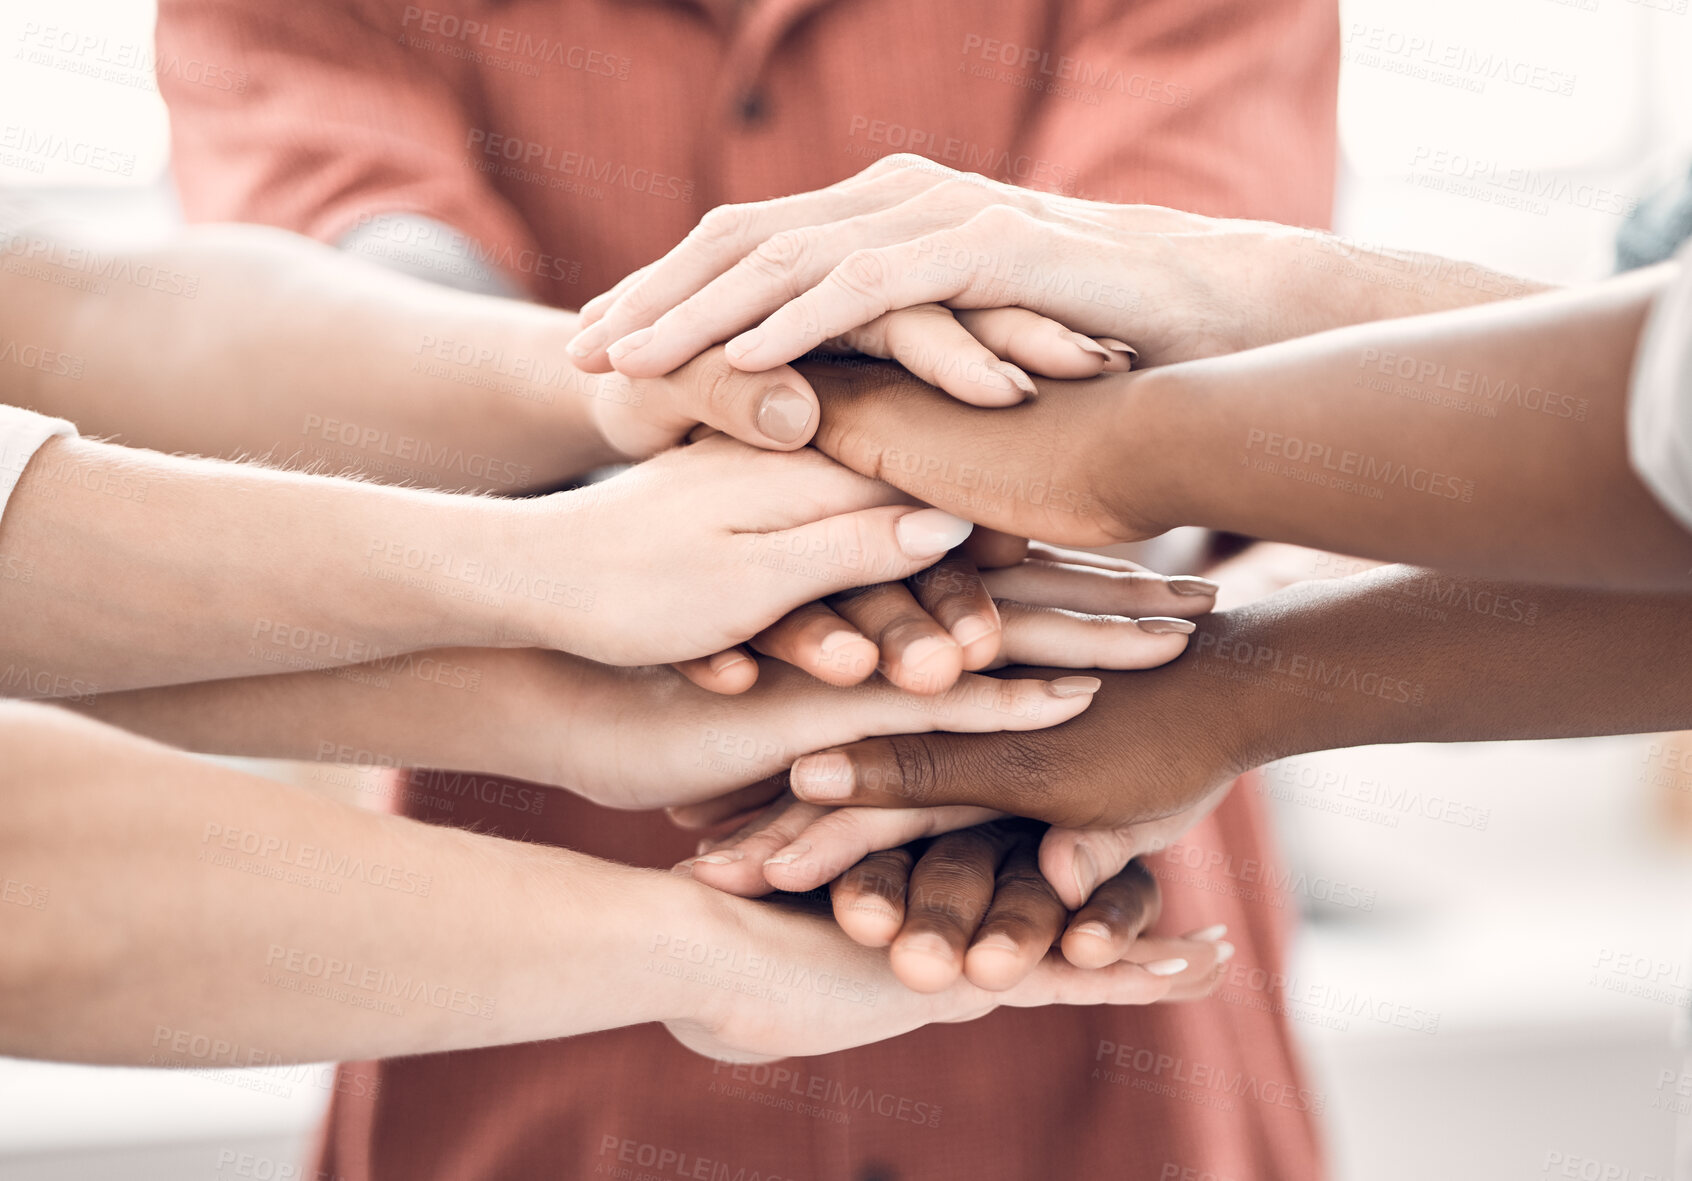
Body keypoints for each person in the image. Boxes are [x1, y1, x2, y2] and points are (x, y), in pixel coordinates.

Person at [153, 0, 1340, 1176]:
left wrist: (684, 518)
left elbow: (1194, 326)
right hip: (542, 995)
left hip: (1097, 918)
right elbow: (352, 303)